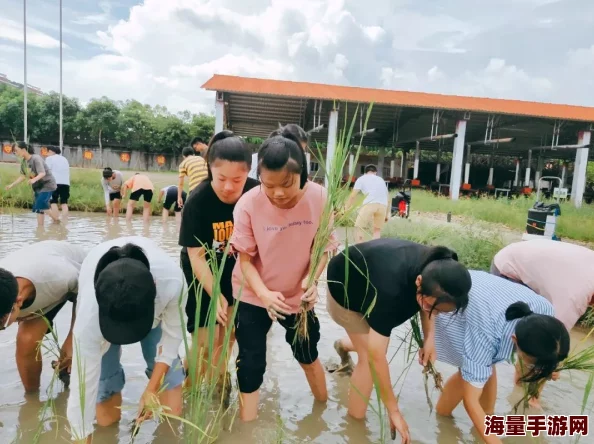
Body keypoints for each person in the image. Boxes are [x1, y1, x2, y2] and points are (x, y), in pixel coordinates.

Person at [230, 130, 337, 423]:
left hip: (297, 296)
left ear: (302, 173)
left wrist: (313, 281)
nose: (278, 193)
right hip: (253, 293)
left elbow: (324, 248)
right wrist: (264, 294)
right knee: (251, 362)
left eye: (286, 184)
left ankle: (322, 413)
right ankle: (247, 430)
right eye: (269, 185)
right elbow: (245, 259)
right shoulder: (248, 204)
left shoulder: (320, 198)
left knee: (307, 352)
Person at [326, 238, 471, 443]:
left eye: (439, 311)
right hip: (346, 287)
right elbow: (376, 358)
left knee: (371, 344)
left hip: (373, 278)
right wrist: (393, 411)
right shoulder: (391, 290)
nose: (431, 312)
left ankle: (343, 345)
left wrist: (429, 338)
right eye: (429, 307)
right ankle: (354, 429)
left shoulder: (444, 268)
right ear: (419, 282)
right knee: (369, 357)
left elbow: (432, 303)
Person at [66, 236, 187, 443]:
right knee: (104, 388)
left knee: (170, 384)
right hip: (104, 317)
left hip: (152, 314)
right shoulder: (89, 315)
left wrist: (151, 390)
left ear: (155, 286)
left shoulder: (172, 283)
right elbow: (81, 389)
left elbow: (171, 341)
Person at [433, 270, 569, 444]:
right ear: (515, 341)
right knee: (469, 373)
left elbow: (552, 349)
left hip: (489, 295)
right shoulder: (486, 334)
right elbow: (470, 400)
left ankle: (486, 418)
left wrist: (553, 367)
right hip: (454, 297)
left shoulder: (545, 312)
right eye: (534, 364)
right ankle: (442, 419)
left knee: (486, 366)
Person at [178, 130, 259, 399]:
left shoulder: (256, 193)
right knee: (204, 339)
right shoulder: (198, 202)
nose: (228, 187)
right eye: (221, 178)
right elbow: (196, 256)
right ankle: (186, 392)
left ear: (248, 172)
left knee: (230, 333)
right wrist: (215, 295)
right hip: (203, 272)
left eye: (237, 179)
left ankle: (220, 382)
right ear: (209, 169)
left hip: (237, 270)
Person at [490, 238, 594, 404]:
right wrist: (552, 366)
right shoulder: (575, 295)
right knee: (534, 344)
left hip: (526, 262)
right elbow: (551, 342)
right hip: (511, 270)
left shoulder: (585, 282)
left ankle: (524, 392)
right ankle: (524, 398)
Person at [0, 240, 88, 392]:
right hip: (37, 289)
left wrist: (72, 339)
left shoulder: (60, 276)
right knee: (27, 340)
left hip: (80, 279)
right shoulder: (7, 289)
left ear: (17, 302)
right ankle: (32, 398)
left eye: (2, 326)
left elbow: (86, 292)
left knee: (75, 350)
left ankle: (71, 382)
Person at [5, 141, 59, 226]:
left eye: (16, 150)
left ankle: (56, 220)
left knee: (40, 203)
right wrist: (11, 185)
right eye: (14, 151)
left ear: (23, 149)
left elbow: (42, 173)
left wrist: (34, 180)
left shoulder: (35, 158)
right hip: (37, 187)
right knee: (39, 209)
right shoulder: (23, 162)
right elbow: (23, 176)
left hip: (47, 184)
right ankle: (40, 229)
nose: (15, 153)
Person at [345, 164, 390, 242]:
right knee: (377, 230)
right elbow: (388, 199)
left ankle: (360, 249)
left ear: (365, 172)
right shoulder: (381, 179)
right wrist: (386, 214)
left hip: (370, 204)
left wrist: (346, 209)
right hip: (383, 205)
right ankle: (375, 249)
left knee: (359, 227)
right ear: (375, 172)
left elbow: (352, 196)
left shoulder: (361, 179)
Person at [45, 145, 71, 220]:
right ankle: (64, 221)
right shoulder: (64, 159)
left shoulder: (49, 158)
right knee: (64, 203)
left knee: (53, 202)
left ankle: (55, 221)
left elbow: (46, 171)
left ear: (50, 151)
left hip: (54, 183)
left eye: (47, 152)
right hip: (65, 183)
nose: (46, 154)